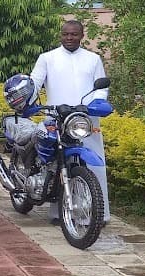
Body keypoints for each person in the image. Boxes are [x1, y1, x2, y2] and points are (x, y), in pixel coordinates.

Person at [30, 20, 110, 224]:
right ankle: (59, 212)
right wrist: (26, 101)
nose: (69, 38)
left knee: (93, 164)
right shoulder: (47, 58)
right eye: (66, 34)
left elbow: (100, 88)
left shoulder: (93, 59)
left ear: (82, 36)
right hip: (56, 118)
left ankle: (96, 212)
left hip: (85, 120)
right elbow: (35, 83)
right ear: (60, 35)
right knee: (56, 164)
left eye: (74, 34)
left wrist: (96, 103)